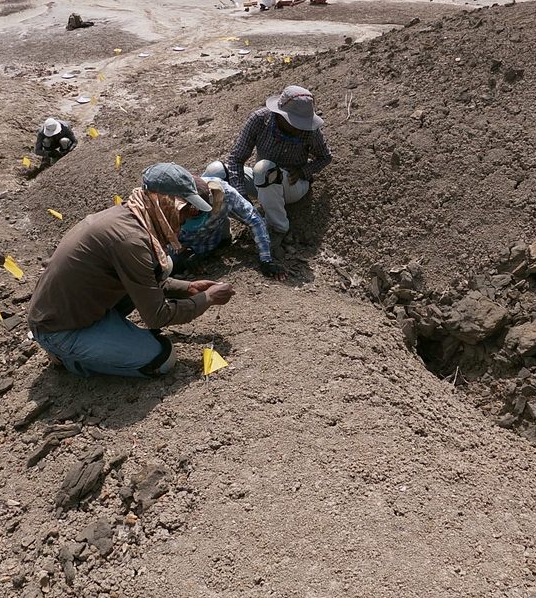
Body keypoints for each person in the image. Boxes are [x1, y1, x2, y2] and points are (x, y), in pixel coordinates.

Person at [28, 163, 236, 378]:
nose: (185, 221)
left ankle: (107, 334)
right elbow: (156, 317)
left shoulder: (131, 216)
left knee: (162, 269)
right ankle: (68, 358)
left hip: (76, 309)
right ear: (166, 203)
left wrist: (190, 287)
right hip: (59, 329)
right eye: (186, 211)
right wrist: (207, 299)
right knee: (162, 359)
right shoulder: (131, 240)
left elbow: (146, 279)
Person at [226, 85, 332, 236]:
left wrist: (303, 171)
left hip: (292, 185)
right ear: (280, 115)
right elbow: (236, 159)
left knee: (264, 169)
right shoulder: (259, 120)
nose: (298, 128)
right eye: (294, 122)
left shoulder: (310, 131)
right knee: (217, 171)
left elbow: (325, 157)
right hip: (262, 181)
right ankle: (233, 227)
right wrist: (242, 198)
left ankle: (278, 230)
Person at [176, 165, 287, 279]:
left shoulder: (225, 195)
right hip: (176, 244)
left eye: (199, 214)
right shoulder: (170, 198)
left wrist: (266, 260)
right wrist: (180, 249)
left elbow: (255, 221)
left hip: (207, 243)